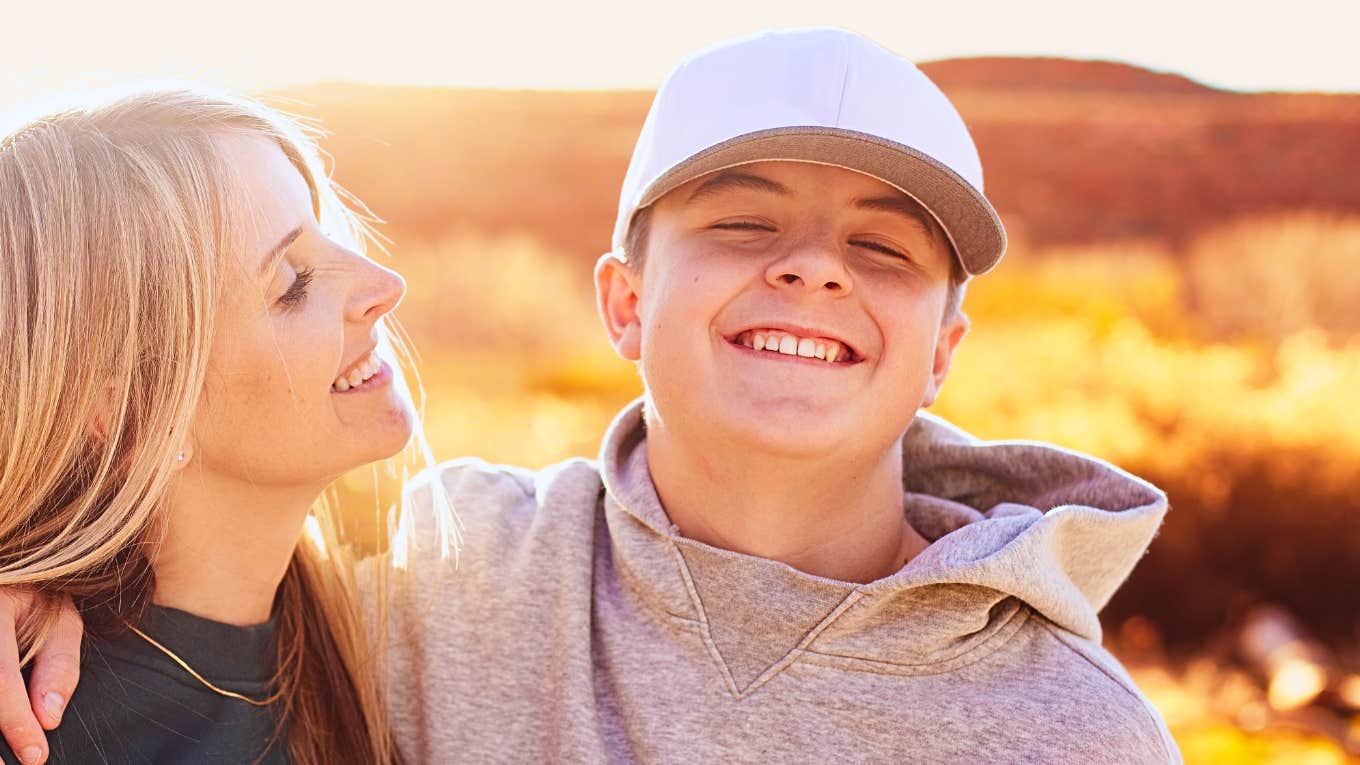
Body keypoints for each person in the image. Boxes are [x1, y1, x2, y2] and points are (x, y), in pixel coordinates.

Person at [4, 28, 1180, 764]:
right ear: (620, 303)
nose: (815, 268)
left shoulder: (1073, 731)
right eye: (743, 223)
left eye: (883, 251)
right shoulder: (448, 577)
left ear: (943, 350)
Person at [0, 88, 453, 764]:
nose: (385, 282)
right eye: (294, 282)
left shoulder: (394, 634)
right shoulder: (44, 728)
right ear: (133, 416)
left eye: (328, 234)